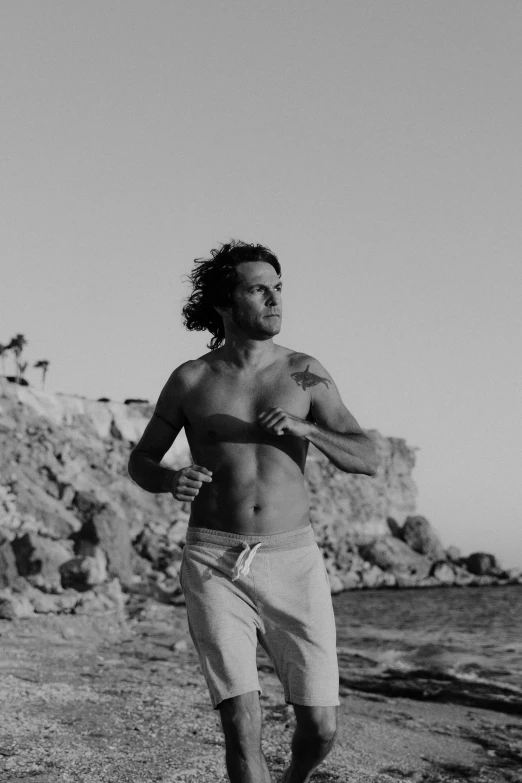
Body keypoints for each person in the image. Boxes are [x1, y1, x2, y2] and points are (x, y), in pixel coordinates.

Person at [128, 240, 377, 783]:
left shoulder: (306, 373)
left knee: (321, 728)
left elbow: (368, 456)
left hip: (294, 561)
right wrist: (171, 478)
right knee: (242, 723)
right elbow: (141, 460)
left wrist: (307, 428)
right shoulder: (191, 379)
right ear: (225, 302)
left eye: (279, 288)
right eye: (259, 289)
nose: (275, 299)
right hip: (215, 562)